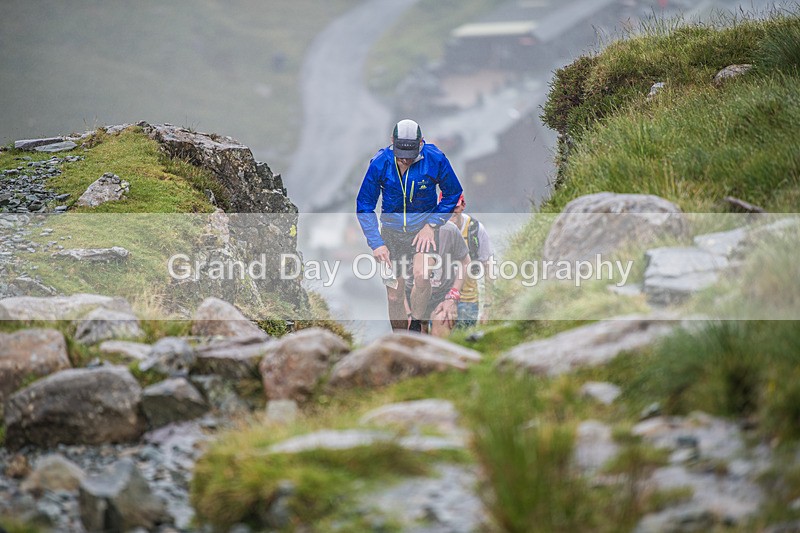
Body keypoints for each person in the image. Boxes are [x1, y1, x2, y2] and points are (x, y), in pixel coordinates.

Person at [356, 119, 463, 332]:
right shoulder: (380, 162)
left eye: (411, 154)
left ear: (421, 142)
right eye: (400, 153)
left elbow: (453, 193)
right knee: (394, 294)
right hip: (390, 234)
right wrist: (376, 243)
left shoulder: (435, 159)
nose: (405, 159)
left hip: (423, 231)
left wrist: (432, 225)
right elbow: (364, 205)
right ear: (392, 142)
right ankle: (400, 336)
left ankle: (416, 325)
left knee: (422, 277)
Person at [447, 193, 494, 327]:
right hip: (441, 299)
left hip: (468, 300)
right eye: (446, 207)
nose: (451, 211)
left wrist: (488, 306)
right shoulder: (436, 228)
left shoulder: (476, 229)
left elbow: (488, 267)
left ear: (463, 205)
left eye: (454, 207)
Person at [424, 220, 470, 337]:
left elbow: (465, 263)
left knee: (442, 321)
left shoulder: (449, 229)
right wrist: (406, 311)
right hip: (411, 296)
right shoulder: (398, 230)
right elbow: (392, 276)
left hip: (441, 295)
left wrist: (452, 298)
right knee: (413, 340)